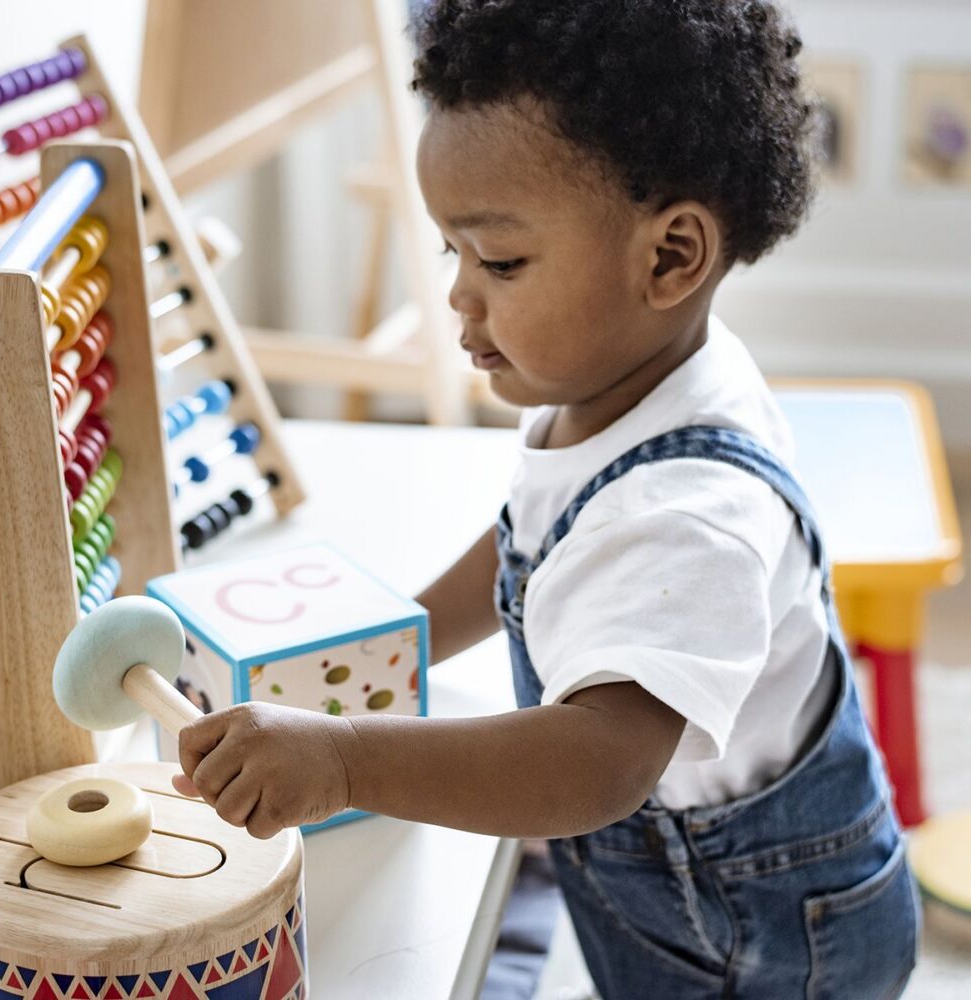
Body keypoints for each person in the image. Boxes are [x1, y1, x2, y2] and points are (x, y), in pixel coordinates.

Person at [172, 2, 920, 995]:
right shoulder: (616, 384)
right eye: (452, 253)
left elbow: (597, 762)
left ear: (669, 257)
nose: (458, 299)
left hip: (769, 940)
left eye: (500, 261)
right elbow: (528, 542)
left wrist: (350, 759)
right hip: (684, 899)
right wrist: (392, 641)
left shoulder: (690, 513)